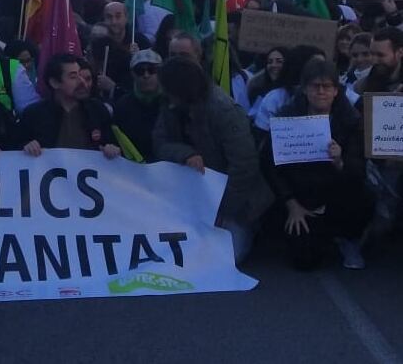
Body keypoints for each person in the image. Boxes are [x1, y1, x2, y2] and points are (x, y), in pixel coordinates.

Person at [153, 59, 273, 263]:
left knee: (226, 258)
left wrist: (223, 209)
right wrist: (185, 154)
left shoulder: (223, 110)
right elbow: (159, 142)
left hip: (235, 201)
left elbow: (244, 166)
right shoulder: (170, 106)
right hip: (191, 195)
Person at [262, 58, 373, 270]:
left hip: (337, 194)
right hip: (300, 197)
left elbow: (359, 171)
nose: (321, 91)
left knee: (365, 199)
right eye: (315, 86)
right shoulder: (286, 117)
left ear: (336, 91)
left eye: (327, 86)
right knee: (305, 262)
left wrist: (340, 161)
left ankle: (348, 238)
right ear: (304, 89)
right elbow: (269, 165)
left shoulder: (350, 120)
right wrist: (291, 204)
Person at [20, 55, 121, 157]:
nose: (82, 82)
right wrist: (27, 146)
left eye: (80, 75)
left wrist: (111, 149)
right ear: (55, 83)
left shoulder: (97, 110)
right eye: (73, 77)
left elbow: (112, 142)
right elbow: (14, 149)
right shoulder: (33, 115)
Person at [112, 49, 163, 161]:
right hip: (133, 173)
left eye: (152, 70)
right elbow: (115, 140)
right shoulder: (122, 106)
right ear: (132, 74)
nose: (146, 75)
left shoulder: (172, 103)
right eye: (140, 70)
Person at [355, 27, 403, 96]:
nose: (374, 61)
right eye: (372, 54)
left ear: (400, 53)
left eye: (380, 55)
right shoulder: (361, 87)